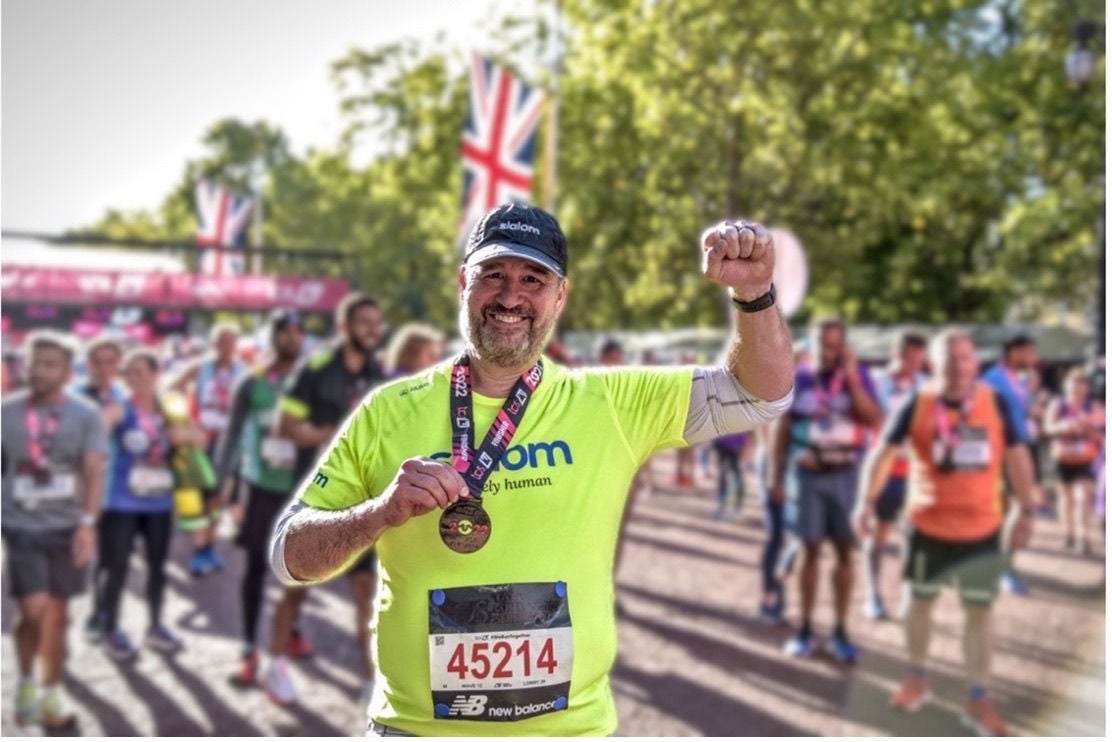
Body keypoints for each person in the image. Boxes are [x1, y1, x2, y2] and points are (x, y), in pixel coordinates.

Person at [269, 203, 794, 736]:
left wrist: (755, 296)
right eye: (492, 274)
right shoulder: (388, 411)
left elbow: (758, 396)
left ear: (560, 295)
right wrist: (380, 513)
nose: (510, 296)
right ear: (463, 284)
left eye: (533, 278)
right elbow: (290, 558)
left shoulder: (609, 401)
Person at [855, 328, 1039, 736]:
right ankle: (917, 676)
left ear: (976, 363)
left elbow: (1018, 456)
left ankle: (977, 698)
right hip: (927, 527)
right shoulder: (915, 404)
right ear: (934, 364)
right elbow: (883, 454)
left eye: (966, 357)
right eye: (950, 358)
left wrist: (1026, 510)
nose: (959, 365)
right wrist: (865, 502)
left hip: (982, 529)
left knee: (980, 613)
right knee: (917, 605)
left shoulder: (997, 403)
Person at [264, 291, 388, 707]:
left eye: (377, 323)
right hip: (317, 492)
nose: (373, 330)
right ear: (344, 328)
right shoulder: (316, 369)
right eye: (364, 322)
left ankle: (374, 679)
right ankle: (275, 663)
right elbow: (286, 425)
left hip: (365, 496)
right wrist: (336, 437)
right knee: (296, 584)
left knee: (367, 590)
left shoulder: (379, 372)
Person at [1, 331, 108, 728]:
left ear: (66, 372)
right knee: (34, 610)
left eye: (49, 364)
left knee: (58, 616)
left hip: (66, 526)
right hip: (19, 523)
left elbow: (93, 470)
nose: (39, 372)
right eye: (34, 363)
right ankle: (27, 677)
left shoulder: (86, 414)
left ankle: (50, 690)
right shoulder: (6, 411)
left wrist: (88, 524)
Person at [772, 317, 882, 662]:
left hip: (847, 474)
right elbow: (782, 429)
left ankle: (840, 629)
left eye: (835, 345)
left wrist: (851, 377)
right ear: (812, 343)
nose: (828, 352)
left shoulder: (859, 376)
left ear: (845, 347)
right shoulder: (798, 378)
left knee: (846, 552)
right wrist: (774, 476)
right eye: (822, 344)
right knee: (809, 549)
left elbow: (875, 419)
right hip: (807, 476)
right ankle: (805, 627)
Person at [212, 310, 306, 688]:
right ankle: (249, 649)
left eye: (297, 332)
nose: (291, 338)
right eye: (284, 332)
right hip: (260, 487)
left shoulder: (310, 381)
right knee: (255, 567)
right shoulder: (250, 384)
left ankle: (292, 630)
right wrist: (219, 485)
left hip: (301, 490)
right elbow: (231, 437)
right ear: (273, 338)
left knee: (300, 568)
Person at [98, 349, 206, 658]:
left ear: (156, 375)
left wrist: (181, 434)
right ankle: (110, 630)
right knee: (116, 567)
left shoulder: (171, 409)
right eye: (129, 373)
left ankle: (155, 626)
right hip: (121, 503)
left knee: (157, 568)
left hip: (158, 503)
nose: (134, 378)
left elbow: (201, 440)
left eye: (140, 372)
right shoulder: (120, 408)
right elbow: (95, 434)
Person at [170, 322, 248, 576]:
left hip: (231, 443)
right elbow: (171, 390)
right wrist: (188, 423)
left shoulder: (245, 371)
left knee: (219, 497)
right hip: (202, 441)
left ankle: (207, 548)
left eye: (230, 341)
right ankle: (200, 548)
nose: (226, 346)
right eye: (221, 341)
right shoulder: (200, 368)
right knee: (201, 496)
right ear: (214, 344)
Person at [862, 330, 928, 620]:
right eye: (906, 358)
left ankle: (909, 594)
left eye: (917, 359)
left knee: (916, 537)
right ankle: (874, 595)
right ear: (895, 353)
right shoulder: (876, 382)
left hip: (915, 473)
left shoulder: (927, 387)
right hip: (883, 472)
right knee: (879, 534)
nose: (912, 365)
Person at [75, 336, 130, 642]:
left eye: (111, 361)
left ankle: (103, 616)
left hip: (116, 494)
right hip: (75, 495)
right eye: (98, 361)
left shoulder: (127, 396)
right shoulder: (72, 397)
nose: (104, 368)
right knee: (69, 564)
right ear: (87, 364)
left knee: (114, 561)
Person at [981, 333, 1041, 594]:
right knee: (1002, 509)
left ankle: (1005, 563)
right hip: (999, 452)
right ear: (1014, 352)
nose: (1033, 358)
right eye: (1028, 352)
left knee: (1021, 506)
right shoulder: (992, 378)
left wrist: (1034, 404)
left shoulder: (1020, 380)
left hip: (1022, 448)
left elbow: (1024, 411)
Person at [1043, 367, 1105, 555]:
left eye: (1080, 387)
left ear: (1086, 388)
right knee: (1065, 497)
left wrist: (1087, 429)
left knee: (1083, 496)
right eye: (1073, 388)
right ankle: (1067, 533)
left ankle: (1083, 537)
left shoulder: (1093, 407)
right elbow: (1047, 428)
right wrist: (1063, 426)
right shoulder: (1057, 404)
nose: (1077, 392)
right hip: (1062, 457)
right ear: (1066, 387)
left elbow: (1103, 432)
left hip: (1086, 458)